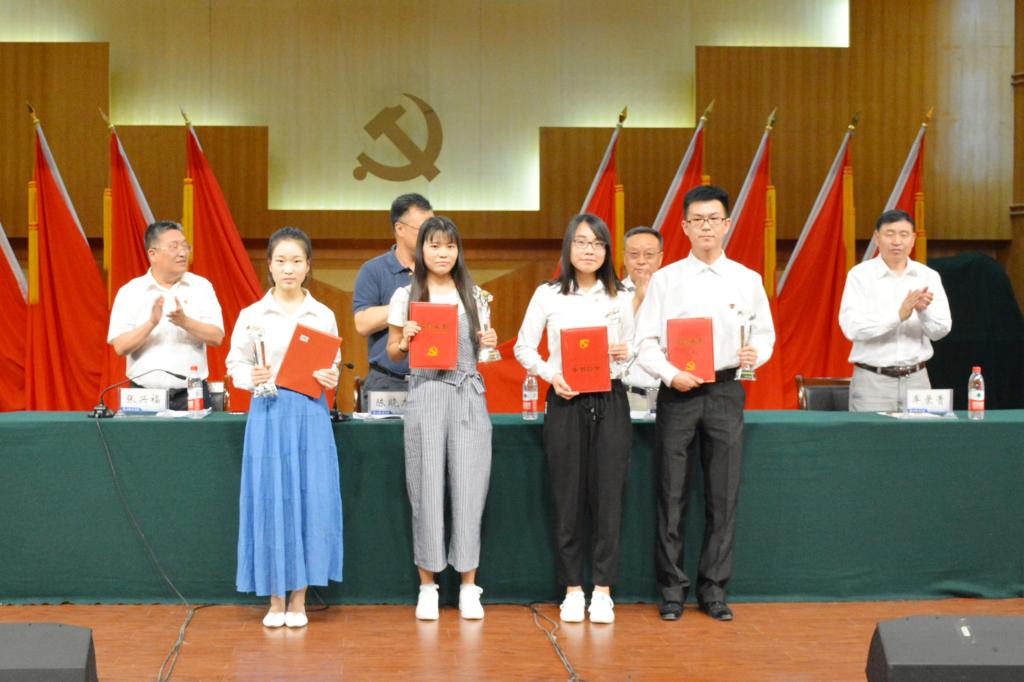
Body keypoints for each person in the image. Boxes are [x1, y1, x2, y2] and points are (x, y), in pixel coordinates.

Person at [636, 185, 774, 623]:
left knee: (723, 494)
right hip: (678, 393)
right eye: (697, 220)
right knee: (671, 493)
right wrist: (669, 374)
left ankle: (714, 590)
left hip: (726, 391)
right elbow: (645, 342)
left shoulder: (747, 279)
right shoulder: (666, 279)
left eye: (714, 219)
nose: (706, 227)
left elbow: (765, 336)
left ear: (727, 224)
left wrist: (756, 355)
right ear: (684, 227)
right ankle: (672, 591)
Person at [514, 214, 633, 625]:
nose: (589, 250)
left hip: (611, 398)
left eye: (597, 243)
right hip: (565, 400)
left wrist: (626, 354)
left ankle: (602, 590)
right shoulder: (548, 294)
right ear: (568, 247)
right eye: (581, 242)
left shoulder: (622, 295)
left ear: (607, 251)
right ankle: (572, 589)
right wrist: (552, 375)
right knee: (567, 498)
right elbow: (524, 348)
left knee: (608, 498)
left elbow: (638, 347)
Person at [227, 227, 343, 629]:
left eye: (296, 261)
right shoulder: (252, 315)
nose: (288, 268)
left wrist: (331, 377)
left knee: (311, 499)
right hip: (269, 411)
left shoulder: (322, 314)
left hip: (310, 414)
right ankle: (275, 599)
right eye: (281, 261)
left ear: (308, 266)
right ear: (270, 266)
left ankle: (299, 599)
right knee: (271, 499)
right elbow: (234, 364)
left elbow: (331, 364)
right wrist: (251, 377)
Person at [385, 216, 497, 621]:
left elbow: (483, 353)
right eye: (434, 245)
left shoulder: (475, 294)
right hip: (426, 392)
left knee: (469, 489)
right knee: (426, 487)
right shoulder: (405, 294)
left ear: (458, 250)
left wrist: (488, 341)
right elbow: (393, 352)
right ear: (421, 250)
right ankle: (428, 586)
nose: (443, 253)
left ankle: (468, 586)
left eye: (450, 245)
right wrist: (405, 338)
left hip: (467, 393)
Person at [839, 209, 952, 412]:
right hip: (873, 382)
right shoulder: (860, 275)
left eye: (904, 234)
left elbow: (941, 331)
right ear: (877, 237)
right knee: (871, 434)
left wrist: (923, 312)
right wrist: (898, 316)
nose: (897, 241)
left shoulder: (928, 276)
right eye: (889, 234)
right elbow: (852, 328)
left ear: (913, 239)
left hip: (918, 380)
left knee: (921, 434)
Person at [107, 220, 224, 409]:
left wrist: (184, 321)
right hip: (144, 396)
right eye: (174, 247)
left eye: (185, 246)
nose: (182, 253)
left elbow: (216, 337)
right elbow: (121, 347)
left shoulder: (201, 287)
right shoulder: (130, 291)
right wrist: (151, 323)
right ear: (152, 254)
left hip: (192, 395)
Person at [353, 193, 434, 407]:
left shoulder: (440, 269)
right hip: (387, 382)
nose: (430, 235)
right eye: (423, 229)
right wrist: (406, 303)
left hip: (434, 381)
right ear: (400, 229)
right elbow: (362, 324)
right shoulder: (373, 269)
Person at [621, 226, 665, 411]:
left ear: (660, 258)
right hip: (627, 395)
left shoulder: (673, 293)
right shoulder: (611, 294)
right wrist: (638, 299)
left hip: (670, 395)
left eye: (649, 255)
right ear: (624, 257)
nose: (641, 261)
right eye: (634, 254)